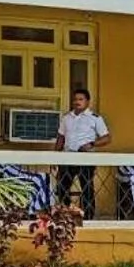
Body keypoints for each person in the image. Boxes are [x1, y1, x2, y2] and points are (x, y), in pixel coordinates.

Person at [52, 87, 110, 216]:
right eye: (75, 99)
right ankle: (64, 213)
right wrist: (54, 157)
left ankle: (88, 216)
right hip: (68, 156)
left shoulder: (95, 118)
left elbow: (106, 138)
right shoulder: (66, 118)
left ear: (87, 102)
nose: (77, 102)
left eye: (81, 99)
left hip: (86, 157)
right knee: (62, 187)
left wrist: (92, 144)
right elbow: (60, 138)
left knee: (87, 187)